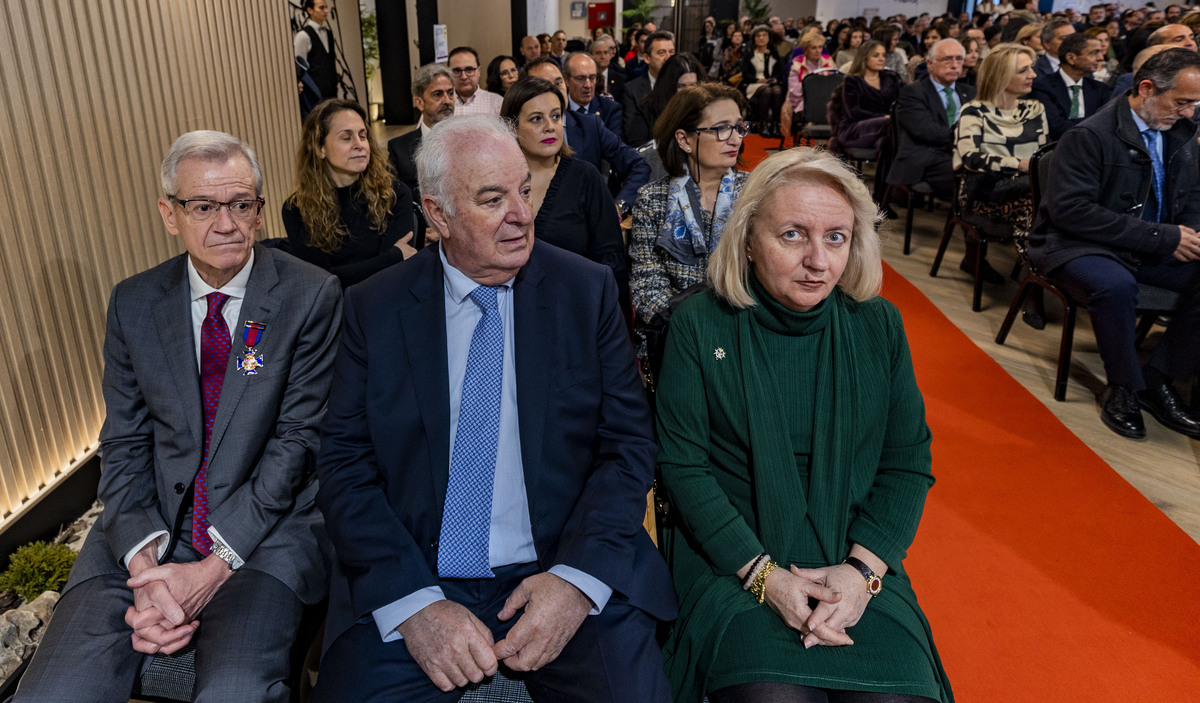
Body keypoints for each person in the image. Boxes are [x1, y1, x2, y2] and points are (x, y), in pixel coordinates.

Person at [312, 114, 676, 702]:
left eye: (524, 191)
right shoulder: (374, 310)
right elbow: (344, 467)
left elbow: (628, 446)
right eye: (491, 199)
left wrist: (577, 582)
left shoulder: (585, 291)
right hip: (420, 573)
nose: (521, 215)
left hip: (560, 563)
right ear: (437, 215)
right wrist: (415, 605)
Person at [11, 131, 341, 703]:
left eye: (242, 204)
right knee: (53, 692)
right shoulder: (135, 302)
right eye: (203, 207)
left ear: (260, 211)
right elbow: (124, 440)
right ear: (170, 214)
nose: (226, 224)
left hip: (262, 534)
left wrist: (212, 567)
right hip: (149, 527)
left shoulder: (309, 296)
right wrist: (144, 565)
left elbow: (297, 443)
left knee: (235, 691)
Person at [655, 147, 953, 703]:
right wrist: (766, 578)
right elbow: (684, 468)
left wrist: (860, 575)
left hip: (853, 563)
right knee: (769, 696)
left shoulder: (878, 325)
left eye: (836, 237)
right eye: (792, 235)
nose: (818, 261)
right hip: (733, 561)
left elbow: (907, 462)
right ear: (747, 240)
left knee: (896, 698)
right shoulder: (699, 323)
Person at [1029, 48, 1200, 440]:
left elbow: (1192, 197)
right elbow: (1070, 213)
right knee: (1115, 285)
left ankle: (1159, 379)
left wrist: (1191, 231)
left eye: (1194, 104)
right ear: (1146, 88)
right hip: (1077, 243)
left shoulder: (1178, 132)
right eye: (1182, 102)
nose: (1189, 113)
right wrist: (1162, 237)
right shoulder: (1089, 135)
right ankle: (1123, 387)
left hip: (1147, 244)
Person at [630, 83, 749, 357]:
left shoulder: (756, 194)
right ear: (684, 140)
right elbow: (647, 286)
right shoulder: (653, 199)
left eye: (739, 127)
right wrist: (695, 329)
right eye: (721, 129)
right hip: (676, 335)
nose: (736, 139)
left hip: (743, 331)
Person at [500, 76, 628, 297]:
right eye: (536, 119)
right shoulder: (497, 180)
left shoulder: (585, 177)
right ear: (512, 126)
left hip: (575, 303)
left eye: (556, 116)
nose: (550, 127)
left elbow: (611, 260)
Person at [283, 99, 415, 287]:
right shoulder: (296, 209)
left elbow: (394, 275)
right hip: (335, 310)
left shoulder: (395, 194)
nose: (359, 144)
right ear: (320, 148)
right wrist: (393, 256)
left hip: (388, 301)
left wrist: (341, 274)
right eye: (346, 138)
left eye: (363, 136)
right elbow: (321, 283)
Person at [954, 43, 1048, 285]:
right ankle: (1034, 286)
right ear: (1001, 75)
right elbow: (970, 157)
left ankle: (1039, 276)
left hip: (1026, 186)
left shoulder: (1035, 109)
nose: (1033, 75)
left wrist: (1029, 167)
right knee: (1034, 206)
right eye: (1023, 70)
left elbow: (1042, 154)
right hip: (984, 189)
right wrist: (1017, 164)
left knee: (1046, 201)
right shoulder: (974, 111)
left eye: (1031, 68)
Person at [525, 58, 651, 220]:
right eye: (542, 86)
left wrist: (619, 206)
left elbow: (638, 165)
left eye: (558, 83)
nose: (553, 92)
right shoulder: (519, 135)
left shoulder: (590, 125)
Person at [889, 39, 975, 195]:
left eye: (959, 59)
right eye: (947, 59)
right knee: (974, 174)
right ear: (930, 63)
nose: (954, 65)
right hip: (927, 157)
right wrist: (967, 139)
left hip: (963, 152)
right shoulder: (913, 92)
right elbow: (926, 131)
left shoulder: (970, 93)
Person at [387, 63, 455, 247]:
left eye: (450, 93)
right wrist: (420, 230)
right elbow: (391, 201)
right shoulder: (398, 148)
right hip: (419, 239)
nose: (447, 100)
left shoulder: (469, 141)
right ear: (419, 102)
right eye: (438, 94)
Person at [1030, 33, 1112, 140]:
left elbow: (1107, 123)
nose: (1101, 58)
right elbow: (1055, 128)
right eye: (1094, 53)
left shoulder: (1100, 89)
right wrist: (1093, 125)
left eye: (1100, 52)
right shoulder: (1043, 87)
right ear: (1071, 58)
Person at [836, 40, 902, 153]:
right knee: (891, 123)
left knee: (885, 143)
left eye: (883, 55)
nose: (881, 59)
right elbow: (853, 113)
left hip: (888, 128)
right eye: (876, 55)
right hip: (854, 130)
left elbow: (903, 102)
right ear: (864, 58)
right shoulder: (852, 81)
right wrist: (883, 117)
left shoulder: (891, 78)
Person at [629, 52, 705, 146]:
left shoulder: (706, 109)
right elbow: (638, 146)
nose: (688, 91)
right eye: (681, 86)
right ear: (669, 85)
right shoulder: (648, 108)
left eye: (693, 85)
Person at [623, 31, 677, 144]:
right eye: (662, 53)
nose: (668, 57)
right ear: (647, 58)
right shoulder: (632, 90)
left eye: (671, 52)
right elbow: (634, 136)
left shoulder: (682, 87)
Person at [783, 29, 837, 136]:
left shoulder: (829, 63)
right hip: (802, 101)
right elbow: (794, 92)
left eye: (820, 47)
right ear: (806, 50)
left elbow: (834, 86)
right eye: (814, 48)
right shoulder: (796, 66)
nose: (818, 50)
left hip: (825, 100)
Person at [741, 25, 787, 138]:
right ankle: (764, 124)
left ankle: (776, 125)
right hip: (753, 84)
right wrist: (757, 80)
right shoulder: (748, 55)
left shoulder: (774, 54)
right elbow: (745, 74)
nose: (761, 38)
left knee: (777, 90)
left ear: (769, 38)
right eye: (758, 36)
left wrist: (775, 78)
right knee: (767, 90)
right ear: (754, 39)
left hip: (770, 84)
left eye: (764, 35)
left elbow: (780, 72)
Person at [564, 51, 623, 136]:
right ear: (566, 80)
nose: (588, 85)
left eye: (592, 78)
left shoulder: (610, 110)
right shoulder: (558, 110)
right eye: (581, 78)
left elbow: (612, 147)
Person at [294, 0, 340, 100]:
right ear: (310, 10)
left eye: (326, 7)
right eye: (321, 8)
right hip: (313, 94)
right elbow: (299, 67)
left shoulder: (329, 33)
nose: (326, 11)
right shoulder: (303, 36)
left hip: (331, 92)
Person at [449, 46, 503, 115]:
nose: (463, 77)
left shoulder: (497, 103)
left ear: (479, 71)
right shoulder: (442, 104)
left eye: (469, 70)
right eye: (457, 71)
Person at [591, 33, 626, 102]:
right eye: (598, 53)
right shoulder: (586, 78)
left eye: (606, 53)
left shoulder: (621, 79)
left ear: (610, 55)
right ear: (591, 56)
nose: (603, 56)